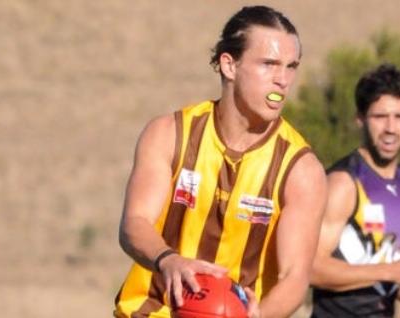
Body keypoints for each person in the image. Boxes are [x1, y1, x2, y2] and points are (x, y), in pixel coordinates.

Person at [115, 6, 327, 318]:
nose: (282, 80)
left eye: (291, 66)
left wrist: (257, 316)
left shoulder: (300, 170)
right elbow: (134, 224)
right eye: (269, 64)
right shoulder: (170, 134)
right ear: (229, 65)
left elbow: (294, 277)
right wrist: (168, 260)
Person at [311, 63, 400, 317]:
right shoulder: (344, 183)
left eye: (398, 117)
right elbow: (311, 267)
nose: (391, 128)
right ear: (360, 119)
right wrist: (388, 271)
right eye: (380, 117)